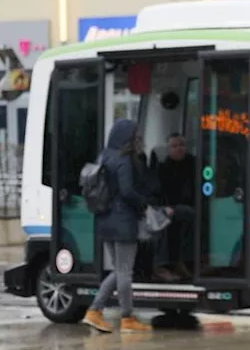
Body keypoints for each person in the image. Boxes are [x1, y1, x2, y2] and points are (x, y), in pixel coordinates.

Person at [83, 119, 152, 333]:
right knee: (124, 273)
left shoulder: (104, 156)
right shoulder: (124, 160)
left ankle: (95, 312)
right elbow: (127, 191)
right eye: (135, 136)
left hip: (104, 220)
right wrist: (144, 205)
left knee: (118, 270)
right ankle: (126, 318)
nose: (137, 139)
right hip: (123, 221)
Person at [151, 133, 196, 277]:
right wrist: (166, 206)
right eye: (175, 146)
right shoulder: (163, 168)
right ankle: (164, 265)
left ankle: (186, 262)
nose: (179, 149)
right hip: (167, 207)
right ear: (168, 149)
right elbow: (158, 193)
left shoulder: (194, 164)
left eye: (181, 145)